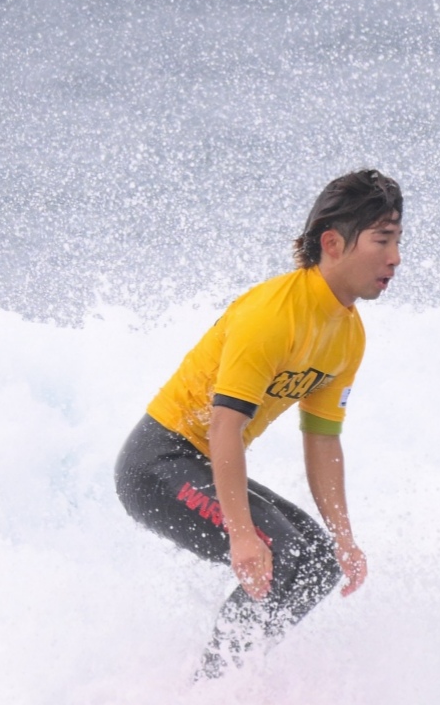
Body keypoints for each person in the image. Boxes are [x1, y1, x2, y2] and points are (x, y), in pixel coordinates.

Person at [116, 170, 403, 676]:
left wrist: (343, 535)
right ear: (333, 244)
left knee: (318, 560)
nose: (395, 258)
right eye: (382, 240)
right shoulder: (272, 315)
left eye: (398, 241)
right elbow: (224, 427)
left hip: (202, 462)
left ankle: (237, 681)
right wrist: (242, 534)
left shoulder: (348, 335)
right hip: (158, 463)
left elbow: (322, 441)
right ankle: (210, 687)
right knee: (280, 549)